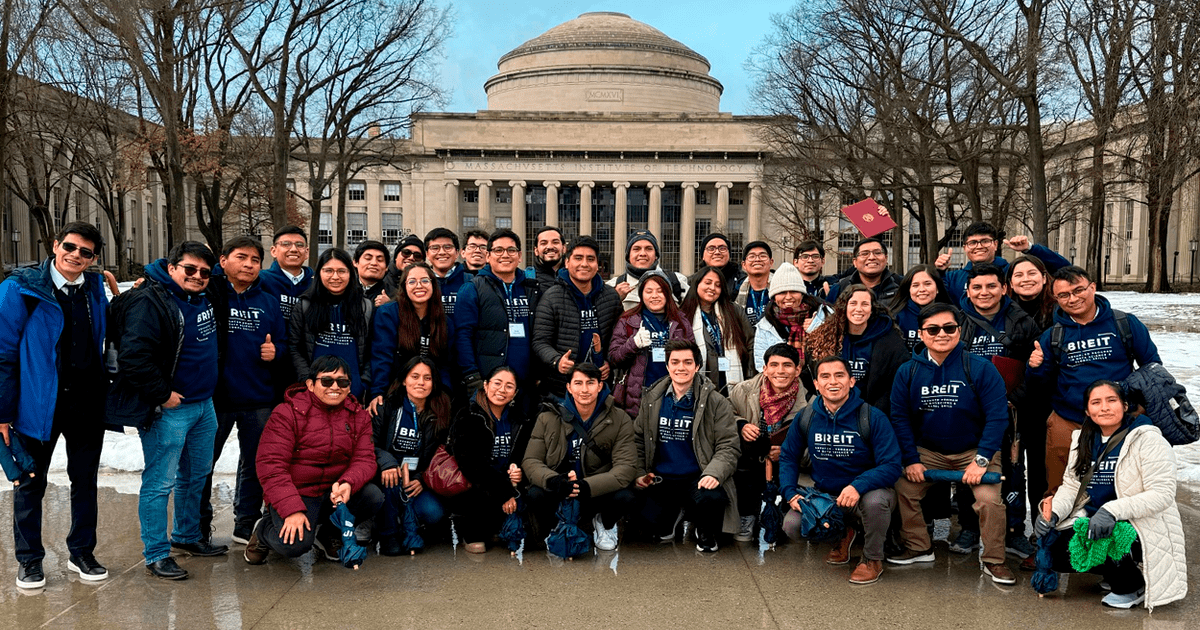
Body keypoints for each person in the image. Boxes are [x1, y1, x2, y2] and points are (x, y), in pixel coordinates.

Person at [108, 241, 227, 580]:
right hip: (170, 410)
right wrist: (162, 395)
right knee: (160, 483)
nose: (198, 276)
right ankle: (156, 553)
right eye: (190, 269)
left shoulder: (204, 294)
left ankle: (188, 536)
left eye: (205, 271)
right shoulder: (151, 301)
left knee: (197, 475)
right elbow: (133, 357)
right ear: (172, 267)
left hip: (204, 405)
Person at [1, 222, 109, 588]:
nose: (76, 256)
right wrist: (2, 412)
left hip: (87, 404)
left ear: (94, 258)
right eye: (71, 247)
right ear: (55, 244)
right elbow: (2, 353)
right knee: (31, 484)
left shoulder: (94, 288)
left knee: (85, 482)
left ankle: (82, 552)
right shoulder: (21, 288)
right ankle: (30, 561)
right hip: (37, 405)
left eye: (86, 252)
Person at [887, 303, 1014, 584]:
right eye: (933, 329)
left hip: (974, 450)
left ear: (959, 330)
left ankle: (994, 560)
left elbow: (997, 417)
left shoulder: (980, 368)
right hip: (928, 451)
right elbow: (900, 419)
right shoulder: (907, 372)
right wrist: (910, 459)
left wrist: (981, 460)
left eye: (949, 328)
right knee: (902, 488)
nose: (941, 334)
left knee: (989, 500)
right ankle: (919, 547)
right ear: (921, 334)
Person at [1034, 380, 1187, 610]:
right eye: (1096, 402)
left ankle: (1132, 586)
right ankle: (1111, 570)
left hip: (1139, 522)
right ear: (1087, 410)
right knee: (1054, 547)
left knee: (1111, 536)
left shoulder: (1147, 438)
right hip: (1094, 517)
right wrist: (1054, 513)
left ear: (1125, 405)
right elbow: (1072, 486)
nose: (1104, 407)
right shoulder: (1082, 439)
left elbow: (1162, 494)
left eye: (1111, 400)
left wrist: (1111, 511)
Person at [1027, 266, 1160, 495]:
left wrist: (1138, 404)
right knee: (1060, 488)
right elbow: (1040, 384)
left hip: (1121, 416)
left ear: (1092, 287)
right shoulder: (1053, 336)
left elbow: (1152, 368)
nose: (1073, 299)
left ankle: (1125, 528)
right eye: (1064, 295)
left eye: (1079, 290)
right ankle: (1059, 529)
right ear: (1056, 298)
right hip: (1070, 418)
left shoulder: (1125, 324)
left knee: (1128, 484)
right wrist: (1035, 367)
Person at [244, 355, 382, 565]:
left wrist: (348, 483)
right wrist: (291, 509)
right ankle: (263, 530)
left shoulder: (358, 416)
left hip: (333, 491)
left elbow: (365, 459)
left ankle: (329, 533)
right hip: (298, 493)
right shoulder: (286, 413)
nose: (334, 387)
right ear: (310, 384)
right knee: (295, 545)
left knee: (373, 496)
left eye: (342, 382)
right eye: (326, 381)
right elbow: (271, 466)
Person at [780, 357, 902, 585]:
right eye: (825, 376)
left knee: (876, 502)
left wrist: (858, 485)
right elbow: (788, 456)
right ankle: (842, 535)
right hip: (826, 496)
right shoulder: (806, 417)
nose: (832, 382)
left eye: (839, 375)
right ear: (816, 384)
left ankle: (872, 559)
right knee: (792, 525)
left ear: (852, 381)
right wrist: (789, 492)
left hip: (866, 494)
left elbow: (892, 465)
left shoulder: (872, 417)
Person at [200, 236, 288, 548]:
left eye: (254, 259)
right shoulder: (208, 294)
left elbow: (284, 344)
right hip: (216, 398)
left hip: (258, 398)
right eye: (241, 257)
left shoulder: (268, 301)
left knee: (255, 464)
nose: (249, 264)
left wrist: (274, 351)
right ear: (222, 261)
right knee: (203, 464)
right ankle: (198, 526)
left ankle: (245, 523)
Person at [633, 340, 740, 553]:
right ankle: (674, 513)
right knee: (649, 526)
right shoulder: (652, 398)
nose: (681, 367)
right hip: (661, 478)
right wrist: (639, 473)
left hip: (698, 476)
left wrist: (714, 474)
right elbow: (637, 439)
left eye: (687, 362)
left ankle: (703, 529)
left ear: (697, 366)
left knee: (711, 499)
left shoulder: (716, 402)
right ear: (667, 366)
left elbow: (728, 446)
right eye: (675, 362)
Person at [524, 363, 637, 552]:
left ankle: (605, 523)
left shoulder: (619, 418)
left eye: (590, 383)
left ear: (600, 386)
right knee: (535, 493)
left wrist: (587, 486)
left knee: (626, 496)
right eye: (578, 383)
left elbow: (626, 468)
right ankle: (555, 526)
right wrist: (553, 480)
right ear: (568, 387)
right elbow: (531, 461)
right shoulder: (548, 417)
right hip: (561, 489)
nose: (584, 389)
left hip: (594, 491)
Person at [370, 357, 452, 555]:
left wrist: (421, 479)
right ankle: (388, 534)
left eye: (427, 378)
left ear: (434, 383)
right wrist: (387, 463)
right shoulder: (385, 407)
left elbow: (441, 456)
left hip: (416, 479)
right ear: (404, 380)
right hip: (387, 474)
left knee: (434, 513)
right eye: (414, 376)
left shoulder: (441, 412)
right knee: (390, 482)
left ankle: (408, 524)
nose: (420, 383)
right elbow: (368, 444)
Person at [728, 343, 807, 542]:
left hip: (786, 462)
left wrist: (789, 452)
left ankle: (780, 515)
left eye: (787, 365)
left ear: (797, 370)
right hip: (751, 457)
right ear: (764, 368)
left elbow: (813, 446)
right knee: (742, 469)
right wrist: (741, 425)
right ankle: (747, 516)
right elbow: (724, 414)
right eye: (774, 365)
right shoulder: (742, 390)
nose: (780, 371)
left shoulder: (810, 402)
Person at [451, 366, 532, 553]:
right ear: (485, 386)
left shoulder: (520, 419)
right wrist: (505, 489)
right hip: (479, 482)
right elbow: (471, 465)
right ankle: (471, 533)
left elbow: (527, 455)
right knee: (479, 491)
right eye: (497, 383)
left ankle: (500, 528)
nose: (502, 390)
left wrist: (519, 471)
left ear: (515, 393)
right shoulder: (469, 415)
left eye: (509, 386)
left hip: (508, 481)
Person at [455, 229, 539, 407]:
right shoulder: (472, 289)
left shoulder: (532, 289)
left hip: (524, 385)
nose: (505, 255)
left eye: (511, 250)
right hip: (486, 383)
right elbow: (463, 336)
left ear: (520, 256)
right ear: (488, 255)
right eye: (498, 250)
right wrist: (472, 377)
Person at [532, 236, 622, 400]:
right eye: (578, 258)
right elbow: (540, 341)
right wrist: (557, 361)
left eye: (590, 259)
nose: (584, 264)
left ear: (597, 264)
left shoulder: (611, 297)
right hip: (561, 389)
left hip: (600, 388)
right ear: (567, 262)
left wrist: (609, 362)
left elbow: (618, 340)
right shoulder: (552, 297)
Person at [805, 285, 907, 415]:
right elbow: (811, 374)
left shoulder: (889, 340)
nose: (859, 309)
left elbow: (894, 384)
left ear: (872, 308)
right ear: (844, 307)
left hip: (872, 413)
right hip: (831, 411)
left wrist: (871, 416)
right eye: (853, 303)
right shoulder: (826, 336)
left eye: (865, 304)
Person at [289, 248, 374, 401]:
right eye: (328, 271)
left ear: (351, 273)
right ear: (319, 273)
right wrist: (307, 380)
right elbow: (294, 347)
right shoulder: (304, 305)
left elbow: (372, 351)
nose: (335, 277)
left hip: (352, 392)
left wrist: (364, 384)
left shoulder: (365, 307)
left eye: (342, 271)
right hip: (314, 393)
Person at [608, 273, 696, 418]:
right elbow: (613, 357)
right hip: (639, 395)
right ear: (641, 295)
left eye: (660, 291)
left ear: (668, 293)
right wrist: (633, 343)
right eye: (649, 291)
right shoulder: (627, 320)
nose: (654, 296)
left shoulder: (681, 322)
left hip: (673, 391)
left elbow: (694, 356)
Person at [369, 263, 453, 411]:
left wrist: (444, 393)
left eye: (425, 281)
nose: (419, 286)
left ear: (433, 285)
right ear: (404, 287)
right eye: (412, 281)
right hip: (395, 389)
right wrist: (378, 391)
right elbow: (382, 356)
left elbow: (445, 362)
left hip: (430, 392)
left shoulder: (444, 321)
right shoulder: (388, 314)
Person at [935, 221, 1069, 303]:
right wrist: (939, 272)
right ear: (965, 248)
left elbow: (1065, 270)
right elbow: (936, 297)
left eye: (985, 241)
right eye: (973, 242)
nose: (979, 246)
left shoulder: (1013, 272)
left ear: (995, 244)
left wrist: (1030, 248)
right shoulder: (953, 278)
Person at [680, 265, 754, 394]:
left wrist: (749, 376)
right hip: (699, 382)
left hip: (733, 381)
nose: (712, 288)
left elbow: (751, 344)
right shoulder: (684, 315)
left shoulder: (734, 311)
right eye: (708, 283)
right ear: (697, 284)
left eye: (718, 285)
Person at [751, 262, 828, 378]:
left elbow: (834, 351)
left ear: (802, 294)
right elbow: (761, 364)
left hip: (818, 384)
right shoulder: (765, 323)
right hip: (781, 384)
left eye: (793, 291)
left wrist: (816, 329)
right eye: (782, 292)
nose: (788, 297)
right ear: (774, 297)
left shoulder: (822, 314)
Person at [607, 230, 689, 310]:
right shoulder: (612, 287)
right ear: (628, 256)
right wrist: (614, 299)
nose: (642, 253)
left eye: (648, 249)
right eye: (636, 249)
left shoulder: (677, 282)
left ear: (656, 255)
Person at [888, 264, 952, 351]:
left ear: (937, 288)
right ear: (909, 289)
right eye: (915, 285)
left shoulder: (950, 315)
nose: (922, 289)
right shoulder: (896, 316)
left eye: (927, 284)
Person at [260, 226, 313, 321]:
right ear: (273, 251)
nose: (293, 249)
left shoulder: (316, 284)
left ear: (307, 252)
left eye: (299, 245)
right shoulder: (261, 280)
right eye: (286, 244)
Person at [825, 238, 901, 303]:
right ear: (855, 262)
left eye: (877, 253)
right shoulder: (840, 288)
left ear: (886, 258)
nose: (871, 257)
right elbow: (828, 317)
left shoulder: (902, 285)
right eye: (865, 254)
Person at [424, 227, 468, 315]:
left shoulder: (470, 280)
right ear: (427, 254)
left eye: (447, 247)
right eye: (435, 248)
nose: (442, 252)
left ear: (457, 253)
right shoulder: (420, 282)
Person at [1006, 254, 1056, 331]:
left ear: (1044, 278)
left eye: (1032, 273)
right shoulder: (1002, 309)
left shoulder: (1059, 310)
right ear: (1011, 283)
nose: (1026, 279)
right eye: (1019, 275)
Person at [735, 241, 773, 327]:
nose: (757, 259)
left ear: (771, 262)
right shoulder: (735, 292)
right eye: (752, 256)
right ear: (744, 265)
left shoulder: (781, 291)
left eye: (762, 256)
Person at [699, 233, 746, 299]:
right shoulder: (692, 282)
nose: (717, 252)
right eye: (711, 248)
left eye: (722, 248)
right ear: (702, 256)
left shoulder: (743, 280)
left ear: (729, 254)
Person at [529, 226, 565, 296]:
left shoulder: (575, 277)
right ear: (536, 251)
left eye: (555, 242)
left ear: (564, 248)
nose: (550, 247)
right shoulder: (527, 278)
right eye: (544, 243)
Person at [353, 240, 391, 305]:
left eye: (380, 260)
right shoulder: (343, 290)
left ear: (386, 267)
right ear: (355, 262)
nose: (374, 263)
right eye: (368, 258)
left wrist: (389, 306)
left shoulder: (396, 295)